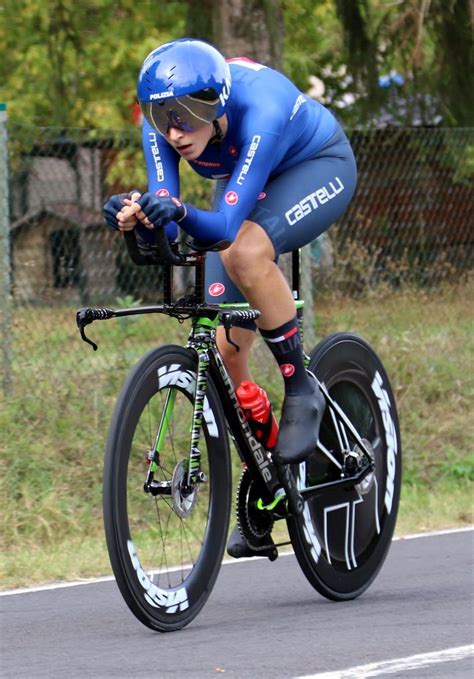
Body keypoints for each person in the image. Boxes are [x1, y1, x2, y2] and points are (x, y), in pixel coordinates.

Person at [103, 38, 357, 557]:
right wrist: (137, 218)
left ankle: (300, 385)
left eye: (187, 117)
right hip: (249, 183)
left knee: (243, 252)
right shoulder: (163, 128)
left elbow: (218, 226)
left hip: (315, 165)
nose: (174, 131)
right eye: (162, 118)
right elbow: (172, 222)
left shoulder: (259, 107)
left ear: (216, 106)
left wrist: (172, 213)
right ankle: (270, 475)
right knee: (224, 346)